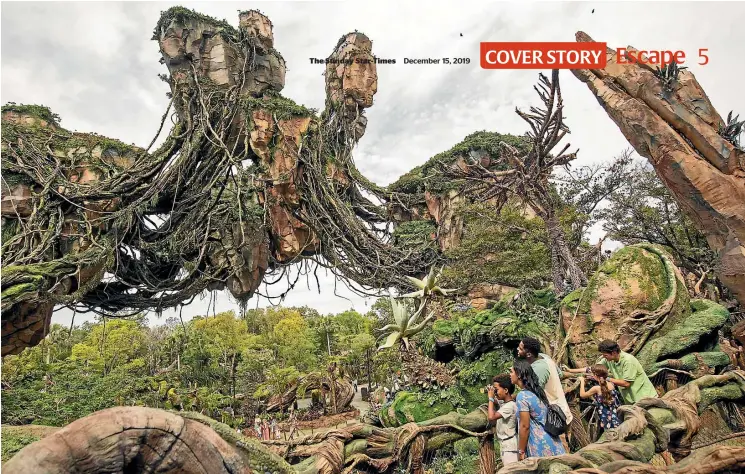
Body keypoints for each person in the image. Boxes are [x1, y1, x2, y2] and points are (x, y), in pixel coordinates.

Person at [565, 340, 658, 404]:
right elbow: (592, 369)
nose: (604, 357)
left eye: (605, 355)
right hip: (632, 401)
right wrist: (570, 370)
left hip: (645, 398)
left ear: (613, 353)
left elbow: (626, 383)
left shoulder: (628, 361)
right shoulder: (609, 360)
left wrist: (606, 378)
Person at [511, 359, 566, 460]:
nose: (510, 374)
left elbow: (524, 426)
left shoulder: (522, 396)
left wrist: (521, 450)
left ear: (518, 374)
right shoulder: (537, 392)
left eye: (511, 372)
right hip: (554, 441)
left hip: (539, 445)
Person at [517, 338, 573, 425]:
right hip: (561, 411)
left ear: (528, 354)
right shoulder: (544, 357)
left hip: (554, 417)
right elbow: (560, 374)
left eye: (520, 348)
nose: (517, 349)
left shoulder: (539, 369)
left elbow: (531, 393)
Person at [487, 374, 518, 466]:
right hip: (507, 446)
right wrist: (491, 392)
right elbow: (497, 402)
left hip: (510, 448)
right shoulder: (506, 403)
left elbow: (491, 417)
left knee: (512, 472)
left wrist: (491, 398)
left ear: (506, 390)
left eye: (497, 389)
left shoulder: (509, 406)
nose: (495, 392)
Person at [578, 364, 621, 431]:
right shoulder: (611, 384)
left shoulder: (596, 388)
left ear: (595, 375)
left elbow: (582, 395)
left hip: (605, 418)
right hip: (615, 415)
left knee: (608, 433)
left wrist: (582, 382)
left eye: (592, 373)